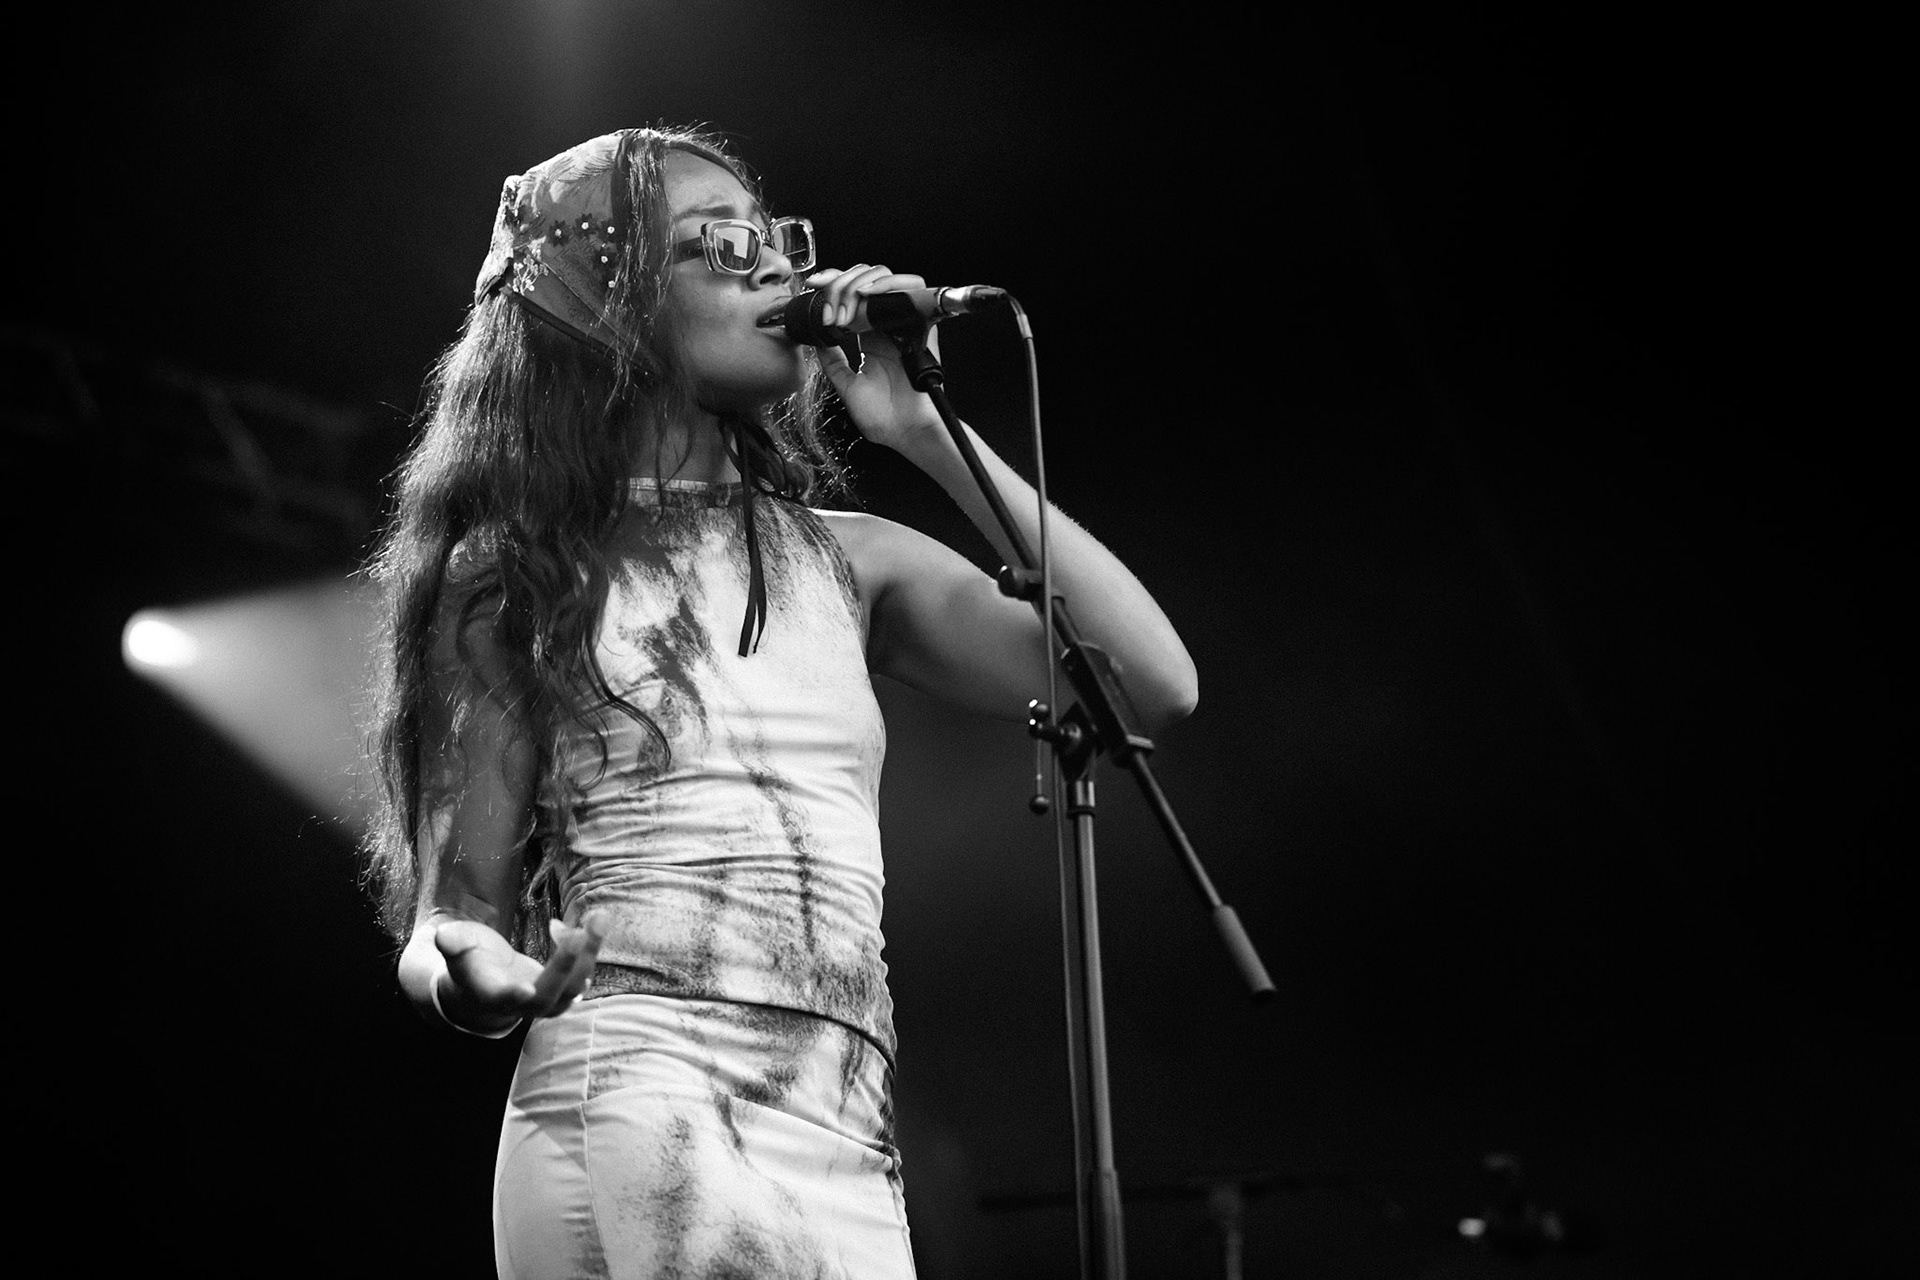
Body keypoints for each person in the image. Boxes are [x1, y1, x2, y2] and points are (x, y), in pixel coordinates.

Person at [363, 125, 1197, 1278]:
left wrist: (924, 432)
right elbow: (449, 915)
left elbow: (1148, 680)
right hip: (647, 1077)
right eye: (718, 247)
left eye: (773, 242)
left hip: (843, 1116)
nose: (774, 272)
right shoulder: (524, 573)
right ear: (603, 303)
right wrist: (481, 971)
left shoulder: (846, 562)